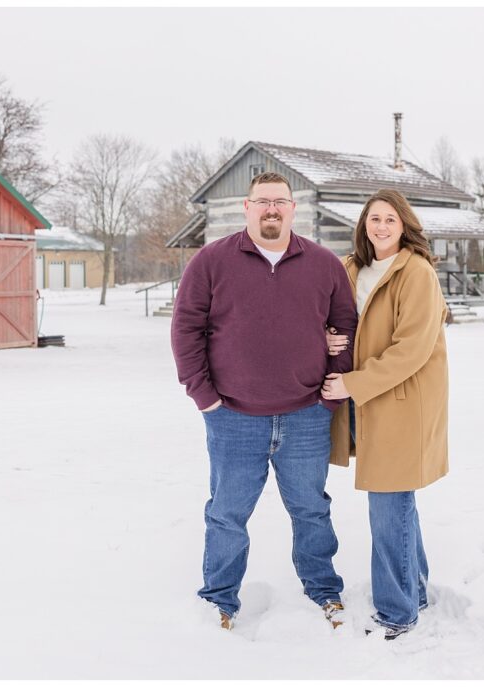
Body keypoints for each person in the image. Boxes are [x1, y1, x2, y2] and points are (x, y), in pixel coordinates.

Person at [171, 172, 358, 631]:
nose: (271, 209)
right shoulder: (212, 261)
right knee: (227, 514)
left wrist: (331, 394)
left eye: (280, 201)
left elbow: (347, 327)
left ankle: (323, 590)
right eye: (262, 202)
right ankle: (218, 599)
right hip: (233, 416)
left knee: (312, 509)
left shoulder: (323, 264)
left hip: (306, 415)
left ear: (294, 209)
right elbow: (185, 329)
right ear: (247, 208)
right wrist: (205, 397)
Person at [321, 189, 449, 640]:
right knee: (397, 502)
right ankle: (413, 591)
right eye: (373, 218)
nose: (380, 226)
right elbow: (330, 320)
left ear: (404, 225)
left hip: (398, 401)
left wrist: (352, 384)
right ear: (363, 225)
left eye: (389, 219)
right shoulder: (350, 268)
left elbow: (411, 350)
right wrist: (329, 339)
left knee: (387, 502)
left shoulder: (416, 273)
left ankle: (397, 612)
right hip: (365, 402)